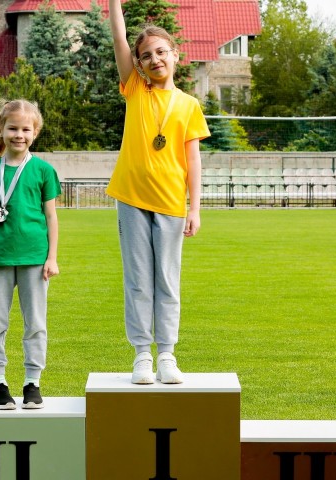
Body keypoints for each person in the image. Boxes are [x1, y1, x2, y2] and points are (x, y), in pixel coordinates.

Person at [107, 0, 210, 384]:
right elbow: (118, 37)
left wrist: (194, 208)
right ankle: (141, 356)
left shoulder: (189, 105)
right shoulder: (135, 88)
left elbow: (194, 161)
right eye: (146, 55)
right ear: (138, 63)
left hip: (170, 204)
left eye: (161, 52)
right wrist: (114, 3)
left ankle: (167, 354)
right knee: (137, 279)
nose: (154, 59)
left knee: (167, 281)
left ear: (175, 56)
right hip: (132, 199)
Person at [0, 99, 61, 410]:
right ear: (1, 130)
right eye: (12, 128)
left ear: (35, 132)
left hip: (36, 258)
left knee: (35, 322)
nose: (18, 134)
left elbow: (51, 217)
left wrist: (52, 257)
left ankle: (32, 382)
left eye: (25, 129)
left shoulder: (43, 171)